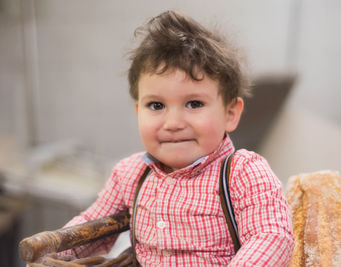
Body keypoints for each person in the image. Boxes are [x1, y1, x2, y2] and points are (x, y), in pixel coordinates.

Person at [58, 10, 294, 266]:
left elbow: (272, 236)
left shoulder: (243, 172)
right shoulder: (130, 173)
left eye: (194, 103)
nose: (173, 123)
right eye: (156, 106)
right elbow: (90, 226)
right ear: (138, 111)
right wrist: (54, 251)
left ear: (230, 113)